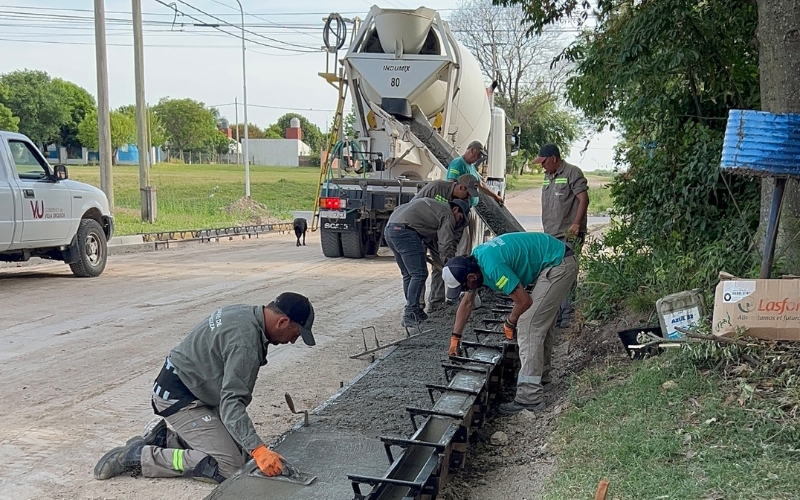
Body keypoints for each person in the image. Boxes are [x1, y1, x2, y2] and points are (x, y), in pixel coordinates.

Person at [93, 293, 316, 483]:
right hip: (180, 398)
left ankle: (166, 440)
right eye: (294, 334)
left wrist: (250, 445)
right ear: (283, 322)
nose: (292, 341)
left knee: (241, 448)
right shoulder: (245, 343)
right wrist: (258, 450)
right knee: (229, 466)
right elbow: (231, 403)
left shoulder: (245, 314)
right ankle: (137, 457)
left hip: (192, 388)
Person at [442, 232, 578, 414]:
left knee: (529, 324)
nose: (465, 291)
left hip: (559, 265)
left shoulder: (493, 268)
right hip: (555, 259)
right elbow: (467, 303)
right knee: (540, 322)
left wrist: (510, 322)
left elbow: (524, 301)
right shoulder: (475, 263)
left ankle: (529, 398)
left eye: (463, 287)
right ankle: (541, 379)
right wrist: (455, 338)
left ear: (471, 278)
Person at [384, 198, 470, 328]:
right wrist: (451, 265)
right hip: (406, 232)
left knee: (409, 274)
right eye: (460, 218)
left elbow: (435, 242)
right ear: (455, 209)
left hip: (391, 229)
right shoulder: (447, 214)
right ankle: (410, 312)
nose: (458, 222)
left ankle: (414, 310)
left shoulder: (435, 208)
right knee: (419, 274)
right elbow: (445, 244)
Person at [534, 143, 588, 327]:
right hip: (551, 234)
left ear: (554, 158)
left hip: (568, 234)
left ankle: (568, 316)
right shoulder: (547, 176)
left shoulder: (572, 173)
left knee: (567, 274)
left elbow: (583, 200)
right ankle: (556, 315)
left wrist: (576, 224)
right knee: (552, 275)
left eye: (544, 162)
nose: (542, 166)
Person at [413, 175, 479, 312]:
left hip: (439, 236)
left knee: (442, 266)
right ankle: (417, 306)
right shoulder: (435, 188)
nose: (468, 197)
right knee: (419, 270)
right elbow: (414, 208)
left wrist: (451, 261)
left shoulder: (462, 207)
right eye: (467, 193)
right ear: (461, 187)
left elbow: (455, 235)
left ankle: (436, 304)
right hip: (420, 231)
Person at [446, 140, 504, 205]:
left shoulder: (471, 166)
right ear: (472, 150)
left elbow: (481, 185)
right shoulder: (458, 163)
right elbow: (451, 184)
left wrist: (495, 196)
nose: (479, 157)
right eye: (478, 154)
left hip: (468, 206)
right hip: (459, 205)